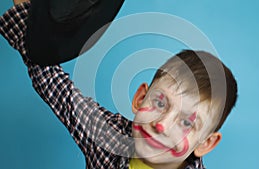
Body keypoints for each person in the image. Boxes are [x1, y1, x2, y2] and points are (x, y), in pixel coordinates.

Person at [0, 1, 238, 169]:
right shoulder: (107, 137)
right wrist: (32, 14)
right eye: (159, 103)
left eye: (187, 122)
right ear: (140, 98)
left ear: (206, 143)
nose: (162, 125)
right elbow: (51, 80)